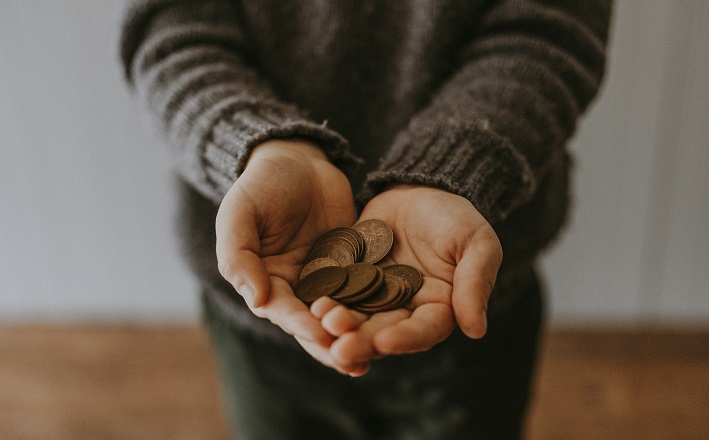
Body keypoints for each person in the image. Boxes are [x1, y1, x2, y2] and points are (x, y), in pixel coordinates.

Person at [120, 1, 611, 438]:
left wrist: (451, 167)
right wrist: (255, 144)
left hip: (465, 296)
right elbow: (169, 32)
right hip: (265, 315)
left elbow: (547, 33)